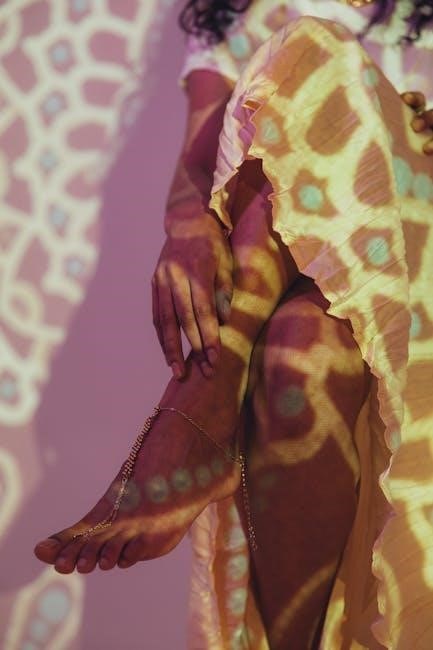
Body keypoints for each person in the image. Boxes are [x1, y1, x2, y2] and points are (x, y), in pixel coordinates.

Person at [34, 0, 433, 647]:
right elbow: (198, 164)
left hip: (410, 267)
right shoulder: (240, 14)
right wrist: (185, 226)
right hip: (287, 279)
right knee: (303, 354)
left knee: (317, 50)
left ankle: (200, 402)